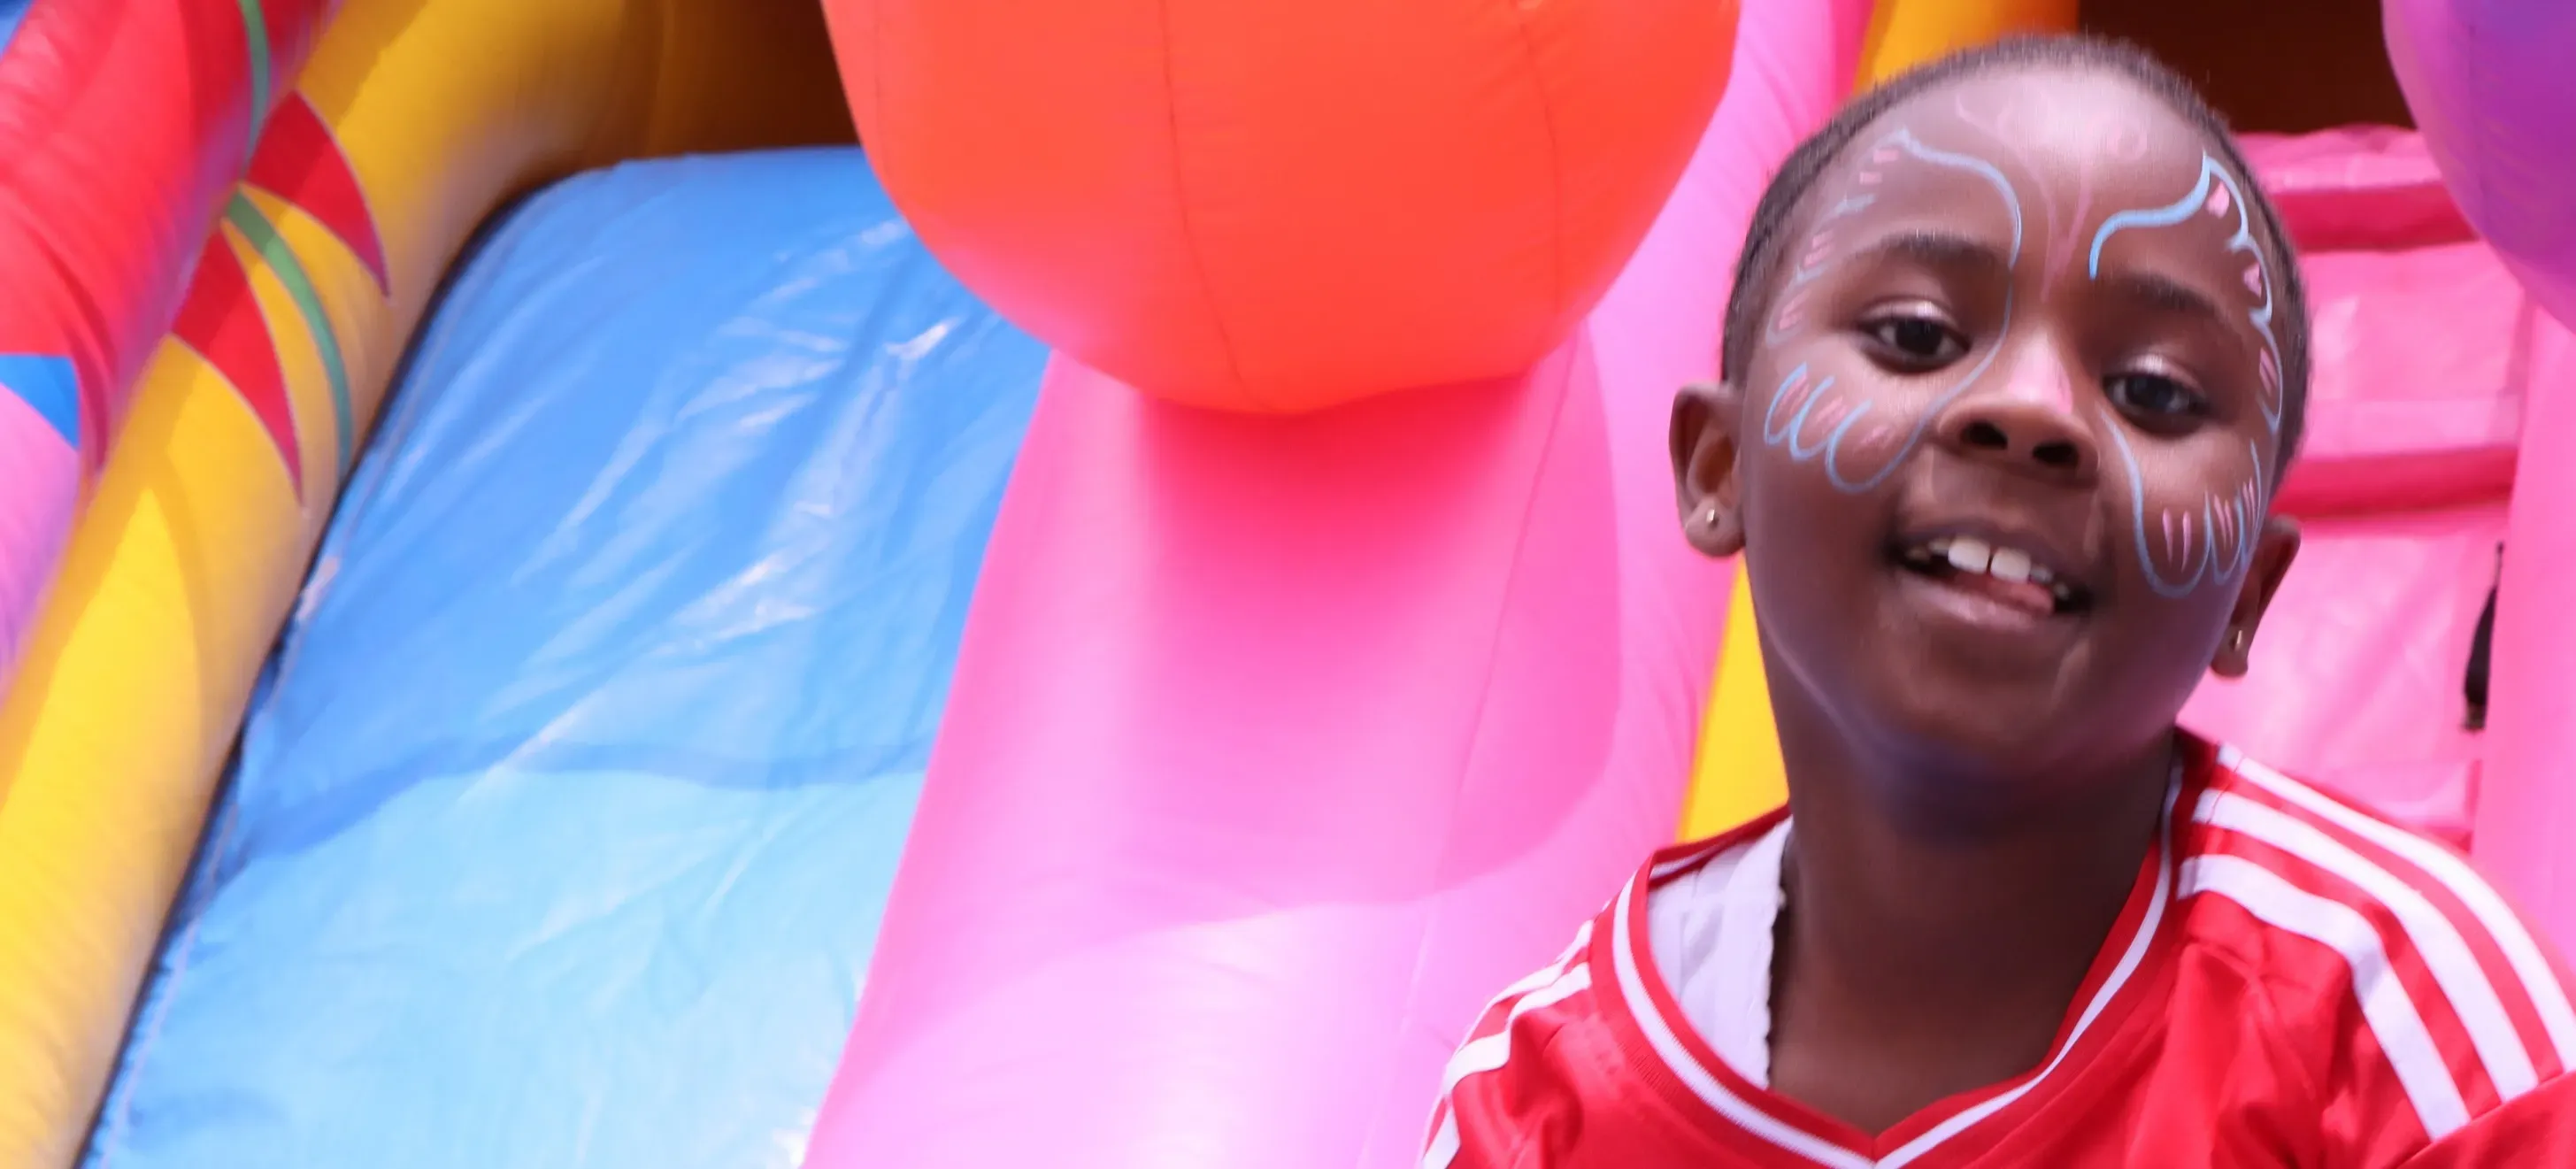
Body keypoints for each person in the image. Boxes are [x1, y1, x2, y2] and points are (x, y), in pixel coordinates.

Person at [1424, 35, 2576, 1168]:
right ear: (1720, 470)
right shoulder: (1537, 1105)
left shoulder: (2395, 1027)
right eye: (1916, 335)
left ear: (2247, 596)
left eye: (2152, 391)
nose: (2031, 410)